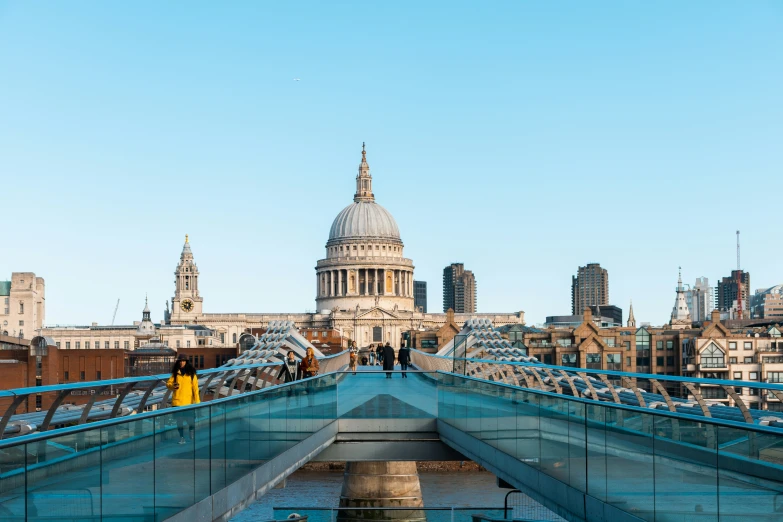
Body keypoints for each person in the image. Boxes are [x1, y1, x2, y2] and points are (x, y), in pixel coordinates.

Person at [166, 355, 200, 444]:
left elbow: (195, 388)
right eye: (180, 361)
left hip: (189, 402)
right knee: (179, 422)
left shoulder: (192, 374)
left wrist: (198, 402)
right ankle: (182, 438)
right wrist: (172, 386)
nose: (182, 362)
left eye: (184, 361)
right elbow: (168, 383)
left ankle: (191, 431)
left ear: (186, 362)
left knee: (191, 421)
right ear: (178, 362)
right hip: (177, 401)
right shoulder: (175, 373)